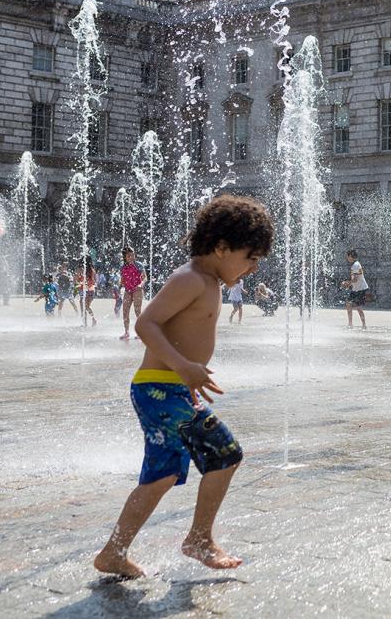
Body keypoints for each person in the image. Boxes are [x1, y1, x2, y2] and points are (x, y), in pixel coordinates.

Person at [93, 194, 273, 580]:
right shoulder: (190, 279)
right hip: (158, 387)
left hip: (176, 390)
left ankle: (197, 539)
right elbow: (146, 325)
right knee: (162, 473)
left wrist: (187, 375)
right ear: (222, 248)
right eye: (251, 258)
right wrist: (183, 366)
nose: (254, 269)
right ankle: (115, 551)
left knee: (225, 455)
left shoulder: (211, 280)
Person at [121, 247, 147, 340]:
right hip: (128, 291)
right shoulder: (123, 267)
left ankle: (140, 332)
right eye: (129, 256)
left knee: (137, 311)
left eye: (133, 255)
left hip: (137, 290)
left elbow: (144, 278)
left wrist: (140, 285)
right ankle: (126, 332)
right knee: (125, 311)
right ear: (125, 257)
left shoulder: (138, 265)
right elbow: (122, 280)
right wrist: (121, 284)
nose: (132, 257)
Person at [341, 249, 368, 330]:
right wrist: (349, 284)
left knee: (358, 307)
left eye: (347, 256)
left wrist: (347, 283)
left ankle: (364, 325)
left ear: (350, 256)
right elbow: (355, 279)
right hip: (356, 289)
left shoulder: (356, 265)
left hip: (360, 289)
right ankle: (350, 323)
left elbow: (355, 279)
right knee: (348, 304)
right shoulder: (355, 265)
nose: (347, 258)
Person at [81, 258, 98, 327]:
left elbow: (91, 281)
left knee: (86, 307)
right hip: (90, 290)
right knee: (86, 307)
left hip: (89, 290)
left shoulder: (89, 271)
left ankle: (93, 320)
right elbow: (94, 281)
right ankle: (85, 322)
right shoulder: (92, 270)